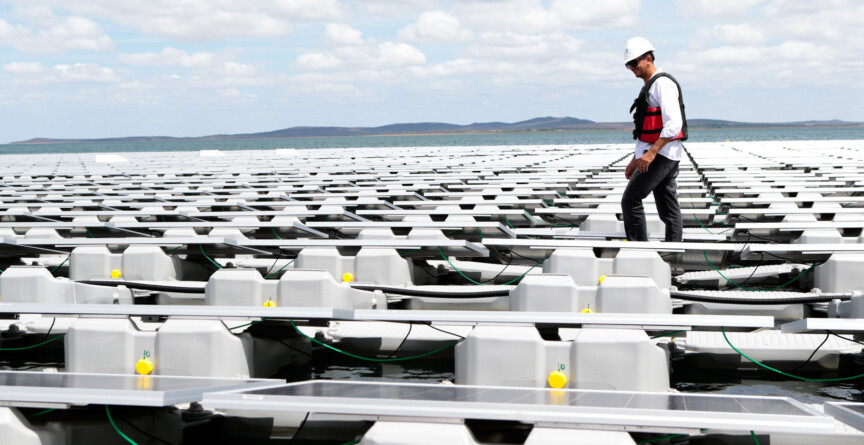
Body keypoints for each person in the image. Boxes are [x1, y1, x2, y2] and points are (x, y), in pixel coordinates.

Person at [621, 37, 687, 242]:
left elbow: (673, 124)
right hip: (660, 153)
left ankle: (639, 250)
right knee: (667, 206)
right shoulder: (650, 85)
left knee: (631, 200)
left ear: (648, 58)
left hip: (662, 154)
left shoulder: (662, 84)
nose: (631, 68)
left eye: (634, 63)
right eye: (628, 65)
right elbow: (645, 130)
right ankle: (672, 250)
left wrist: (651, 153)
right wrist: (636, 158)